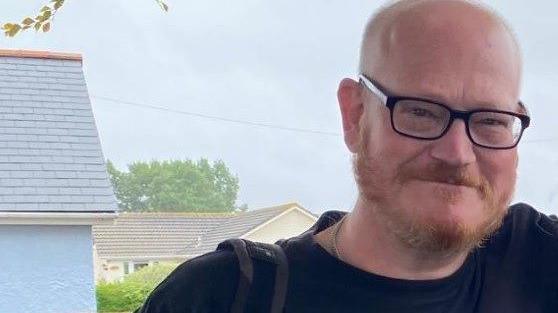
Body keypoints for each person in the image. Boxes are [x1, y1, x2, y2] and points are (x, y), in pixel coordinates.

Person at [137, 0, 558, 312]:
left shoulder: (542, 263)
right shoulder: (218, 299)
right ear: (355, 115)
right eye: (420, 112)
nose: (457, 153)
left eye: (490, 121)